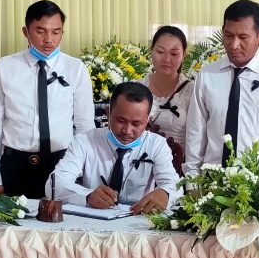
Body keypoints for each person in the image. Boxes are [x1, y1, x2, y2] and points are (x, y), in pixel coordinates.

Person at [0, 0, 95, 199]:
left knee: (63, 219)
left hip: (62, 165)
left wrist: (85, 173)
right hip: (15, 165)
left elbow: (84, 126)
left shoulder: (75, 68)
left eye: (56, 32)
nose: (49, 39)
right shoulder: (4, 67)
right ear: (26, 32)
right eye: (41, 31)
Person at [184, 0, 259, 173]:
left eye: (243, 37)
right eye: (228, 35)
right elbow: (196, 132)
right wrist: (192, 178)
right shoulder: (207, 76)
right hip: (212, 179)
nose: (234, 45)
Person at [48, 82, 180, 213]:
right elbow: (53, 184)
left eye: (136, 124)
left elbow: (175, 185)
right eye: (121, 121)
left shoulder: (156, 144)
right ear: (108, 113)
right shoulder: (84, 141)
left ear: (147, 120)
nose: (127, 130)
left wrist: (165, 193)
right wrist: (87, 195)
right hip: (92, 219)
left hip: (138, 218)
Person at [135, 26, 194, 150]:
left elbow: (198, 137)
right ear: (151, 51)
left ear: (184, 55)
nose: (167, 59)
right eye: (160, 52)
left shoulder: (192, 91)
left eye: (174, 53)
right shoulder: (136, 88)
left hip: (179, 160)